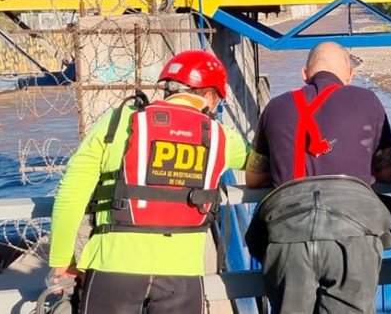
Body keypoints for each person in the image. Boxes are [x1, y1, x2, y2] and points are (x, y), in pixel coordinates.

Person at [48, 50, 249, 314]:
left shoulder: (119, 121)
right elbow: (261, 165)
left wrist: (61, 260)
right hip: (183, 272)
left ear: (168, 89)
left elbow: (71, 192)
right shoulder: (221, 136)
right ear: (210, 96)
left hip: (113, 265)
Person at [244, 41, 391, 314]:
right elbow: (386, 172)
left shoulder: (275, 107)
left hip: (287, 234)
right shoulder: (368, 101)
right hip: (352, 235)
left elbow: (253, 178)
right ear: (349, 75)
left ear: (305, 74)